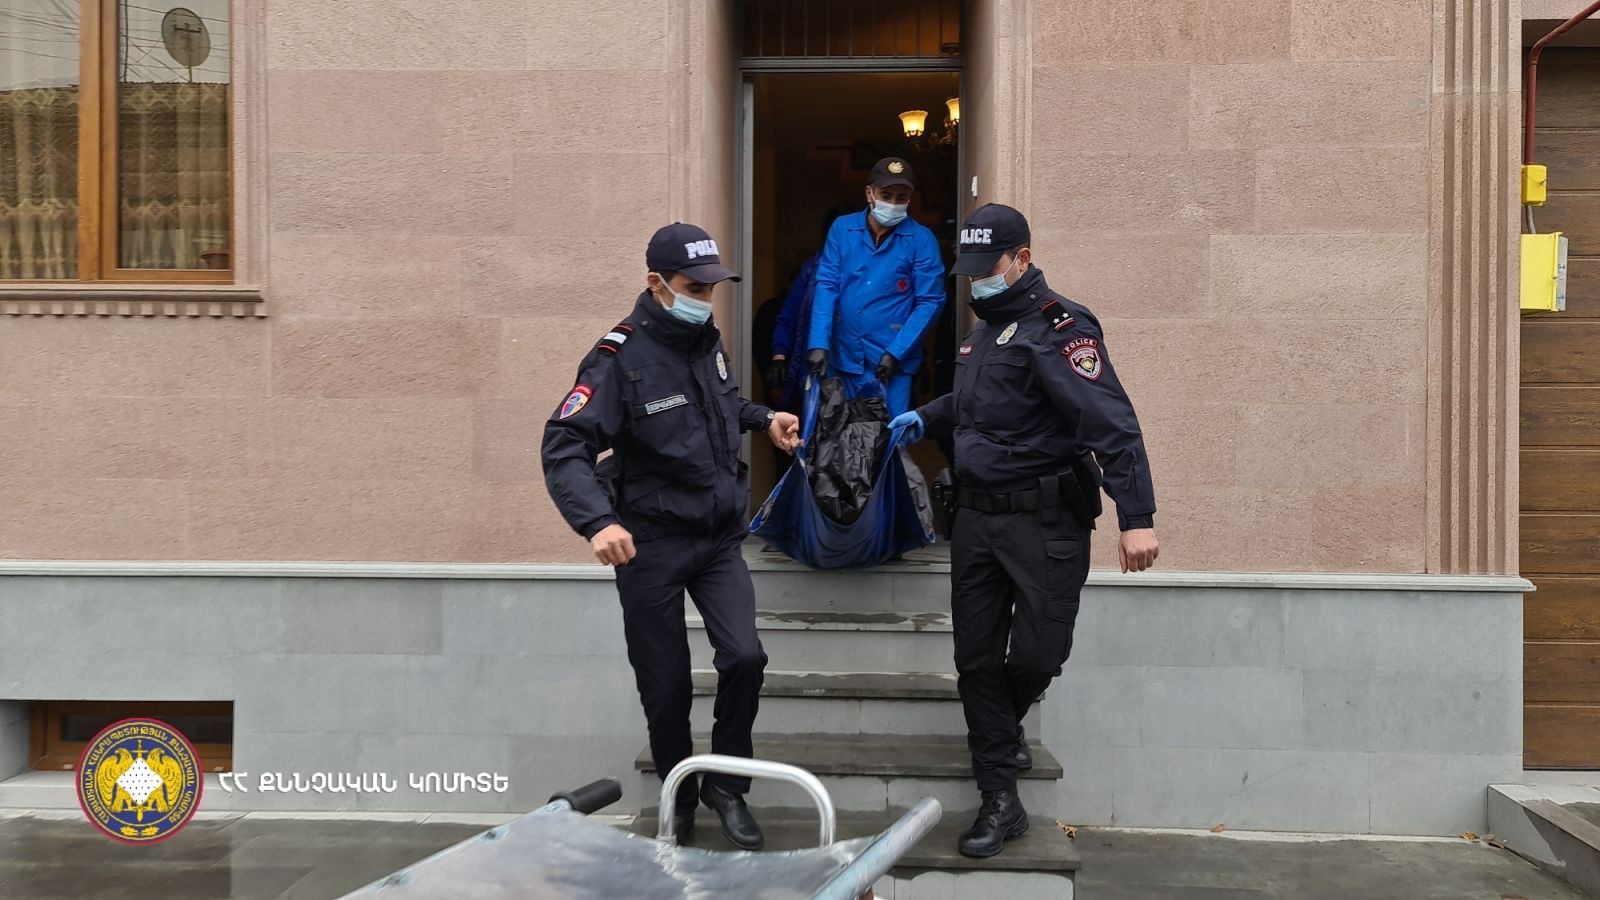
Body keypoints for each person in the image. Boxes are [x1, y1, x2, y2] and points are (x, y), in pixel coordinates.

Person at [887, 203, 1160, 859]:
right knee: (976, 659)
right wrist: (928, 416)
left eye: (988, 267)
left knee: (1039, 654)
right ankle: (999, 799)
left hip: (1044, 521)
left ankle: (998, 731)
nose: (977, 280)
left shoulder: (1062, 328)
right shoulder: (983, 333)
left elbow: (1111, 424)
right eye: (970, 270)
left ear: (1022, 260)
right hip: (977, 520)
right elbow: (976, 404)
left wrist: (1137, 518)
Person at [541, 222, 802, 851]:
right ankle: (679, 796)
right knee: (666, 686)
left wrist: (764, 417)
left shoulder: (704, 340)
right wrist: (597, 522)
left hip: (716, 537)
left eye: (712, 288)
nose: (706, 299)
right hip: (649, 543)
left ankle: (727, 786)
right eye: (694, 288)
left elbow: (718, 406)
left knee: (745, 657)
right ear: (656, 284)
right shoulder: (616, 358)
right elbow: (564, 444)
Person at [804, 157, 946, 418]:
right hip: (843, 356)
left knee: (888, 436)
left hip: (891, 363)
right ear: (870, 193)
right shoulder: (843, 229)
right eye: (886, 195)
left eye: (901, 197)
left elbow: (931, 301)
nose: (893, 203)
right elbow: (827, 285)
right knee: (835, 435)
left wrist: (896, 353)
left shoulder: (921, 239)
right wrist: (818, 343)